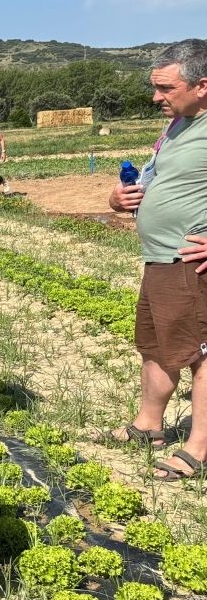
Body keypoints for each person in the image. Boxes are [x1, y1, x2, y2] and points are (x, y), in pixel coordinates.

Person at [106, 38, 207, 481]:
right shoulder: (179, 125)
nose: (155, 97)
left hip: (190, 263)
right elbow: (157, 179)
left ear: (202, 85)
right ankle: (149, 425)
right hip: (160, 259)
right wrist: (119, 199)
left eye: (166, 88)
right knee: (156, 346)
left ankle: (199, 448)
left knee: (201, 354)